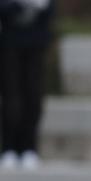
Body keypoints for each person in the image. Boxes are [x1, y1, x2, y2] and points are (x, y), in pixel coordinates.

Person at [0, 0, 53, 171]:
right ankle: (8, 148)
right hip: (9, 41)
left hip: (35, 43)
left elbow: (50, 11)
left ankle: (30, 148)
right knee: (11, 97)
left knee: (33, 96)